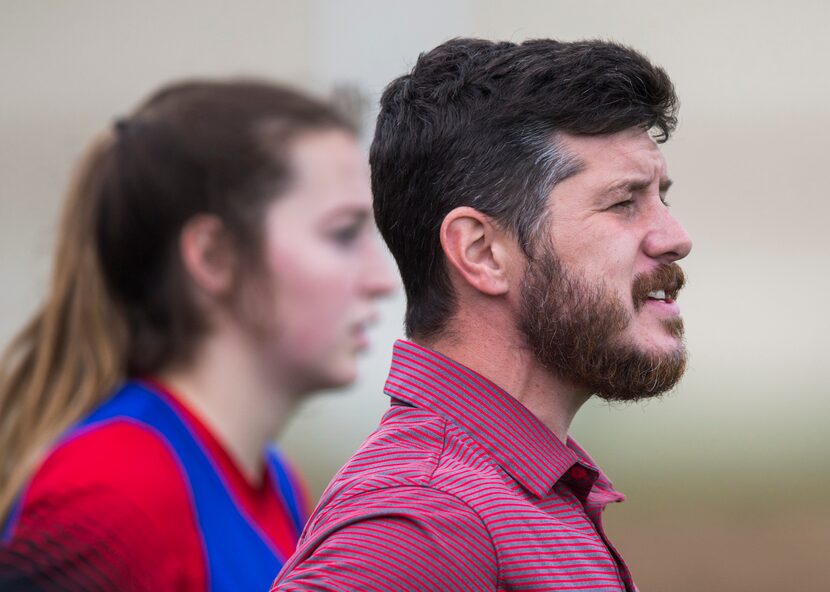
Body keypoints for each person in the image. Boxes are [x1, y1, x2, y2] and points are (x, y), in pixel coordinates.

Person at [272, 38, 693, 591]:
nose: (675, 238)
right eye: (623, 203)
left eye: (661, 198)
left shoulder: (512, 495)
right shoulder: (424, 522)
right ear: (481, 253)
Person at [0, 79, 394, 591]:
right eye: (343, 234)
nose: (381, 280)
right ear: (214, 257)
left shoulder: (274, 480)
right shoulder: (112, 488)